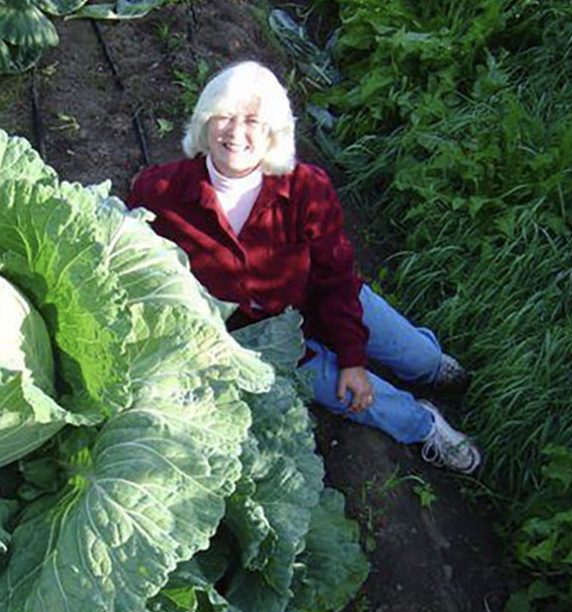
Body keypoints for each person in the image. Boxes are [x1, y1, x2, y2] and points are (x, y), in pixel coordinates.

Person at [127, 60, 481, 473]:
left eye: (253, 121)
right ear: (205, 119)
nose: (236, 133)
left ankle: (430, 367)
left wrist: (352, 355)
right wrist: (350, 374)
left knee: (417, 359)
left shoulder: (306, 189)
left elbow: (336, 279)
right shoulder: (160, 192)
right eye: (224, 116)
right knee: (359, 397)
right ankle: (424, 424)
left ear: (274, 132)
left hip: (323, 298)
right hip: (261, 338)